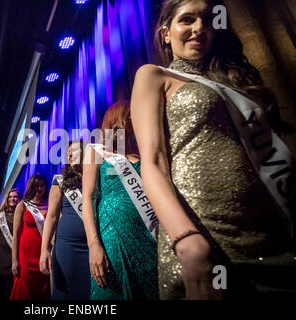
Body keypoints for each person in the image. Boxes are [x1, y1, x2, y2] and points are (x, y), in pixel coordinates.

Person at [130, 0, 295, 300]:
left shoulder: (232, 83)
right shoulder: (153, 75)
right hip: (204, 231)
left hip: (268, 233)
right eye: (187, 20)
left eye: (207, 20)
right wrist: (187, 239)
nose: (199, 28)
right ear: (166, 33)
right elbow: (152, 163)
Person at [82, 101, 159, 300]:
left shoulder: (144, 154)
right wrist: (93, 245)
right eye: (132, 116)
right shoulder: (96, 151)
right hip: (113, 237)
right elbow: (88, 200)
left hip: (148, 234)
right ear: (120, 119)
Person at [39, 140, 91, 300]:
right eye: (68, 152)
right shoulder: (60, 180)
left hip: (93, 246)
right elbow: (52, 217)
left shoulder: (95, 177)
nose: (69, 154)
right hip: (68, 247)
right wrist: (44, 251)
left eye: (74, 150)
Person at [10, 174, 50, 300]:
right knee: (25, 288)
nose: (39, 188)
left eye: (42, 185)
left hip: (43, 253)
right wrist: (14, 260)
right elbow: (15, 235)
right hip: (26, 255)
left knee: (43, 287)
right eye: (36, 185)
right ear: (31, 186)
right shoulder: (22, 205)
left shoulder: (50, 205)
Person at [0, 188, 22, 300]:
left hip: (16, 256)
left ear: (19, 198)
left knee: (10, 291)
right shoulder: (0, 216)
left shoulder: (22, 214)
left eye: (15, 196)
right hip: (2, 257)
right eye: (10, 197)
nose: (12, 199)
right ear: (7, 199)